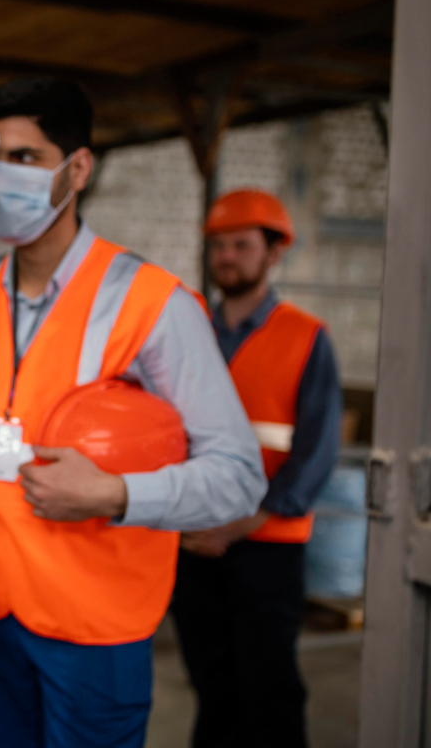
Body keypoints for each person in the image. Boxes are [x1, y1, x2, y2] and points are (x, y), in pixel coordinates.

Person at [0, 77, 267, 748]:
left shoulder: (153, 303)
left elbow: (239, 477)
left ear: (78, 168)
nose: (1, 178)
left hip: (96, 635)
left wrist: (116, 493)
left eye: (25, 157)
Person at [172, 189, 342, 748]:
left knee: (268, 695)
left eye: (242, 245)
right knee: (211, 689)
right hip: (196, 548)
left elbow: (314, 454)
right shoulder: (187, 330)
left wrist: (239, 523)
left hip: (267, 546)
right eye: (219, 245)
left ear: (273, 253)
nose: (227, 257)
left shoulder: (306, 337)